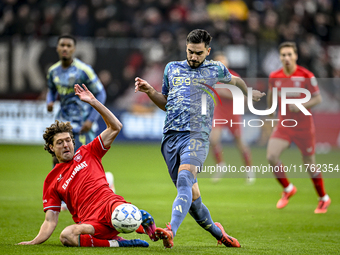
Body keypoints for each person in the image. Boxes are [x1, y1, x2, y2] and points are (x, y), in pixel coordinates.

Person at [135, 29, 265, 249]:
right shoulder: (172, 68)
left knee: (185, 179)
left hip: (197, 136)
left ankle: (170, 231)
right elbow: (166, 103)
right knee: (193, 199)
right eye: (190, 52)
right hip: (170, 138)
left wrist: (247, 93)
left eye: (198, 53)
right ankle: (219, 233)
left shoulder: (215, 69)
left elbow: (236, 80)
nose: (193, 57)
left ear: (208, 51)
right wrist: (149, 91)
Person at [18, 84, 156, 247]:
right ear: (51, 147)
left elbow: (116, 127)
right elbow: (50, 221)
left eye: (68, 140)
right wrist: (33, 242)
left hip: (111, 208)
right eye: (60, 142)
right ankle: (121, 243)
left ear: (73, 141)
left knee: (123, 214)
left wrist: (93, 102)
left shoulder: (88, 152)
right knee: (66, 236)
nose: (66, 145)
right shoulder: (51, 180)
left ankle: (141, 221)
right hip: (90, 224)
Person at [46, 35, 115, 209]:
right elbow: (51, 90)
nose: (65, 48)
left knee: (84, 161)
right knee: (57, 158)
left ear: (74, 49)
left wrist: (91, 119)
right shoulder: (53, 71)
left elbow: (101, 93)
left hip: (83, 125)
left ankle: (105, 182)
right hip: (64, 124)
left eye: (69, 45)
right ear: (57, 48)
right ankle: (62, 196)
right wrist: (50, 101)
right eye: (62, 45)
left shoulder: (84, 70)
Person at [266, 42, 331, 213]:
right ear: (280, 57)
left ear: (295, 56)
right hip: (284, 125)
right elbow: (272, 97)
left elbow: (318, 99)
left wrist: (302, 104)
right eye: (283, 55)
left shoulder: (306, 75)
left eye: (289, 54)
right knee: (271, 156)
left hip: (304, 127)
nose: (286, 58)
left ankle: (323, 198)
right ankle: (288, 189)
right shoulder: (275, 76)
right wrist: (270, 114)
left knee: (309, 164)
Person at [209, 52, 254, 184]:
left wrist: (227, 94)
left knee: (239, 142)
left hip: (233, 113)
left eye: (223, 61)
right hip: (219, 112)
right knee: (213, 139)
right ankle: (221, 165)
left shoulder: (234, 76)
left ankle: (249, 169)